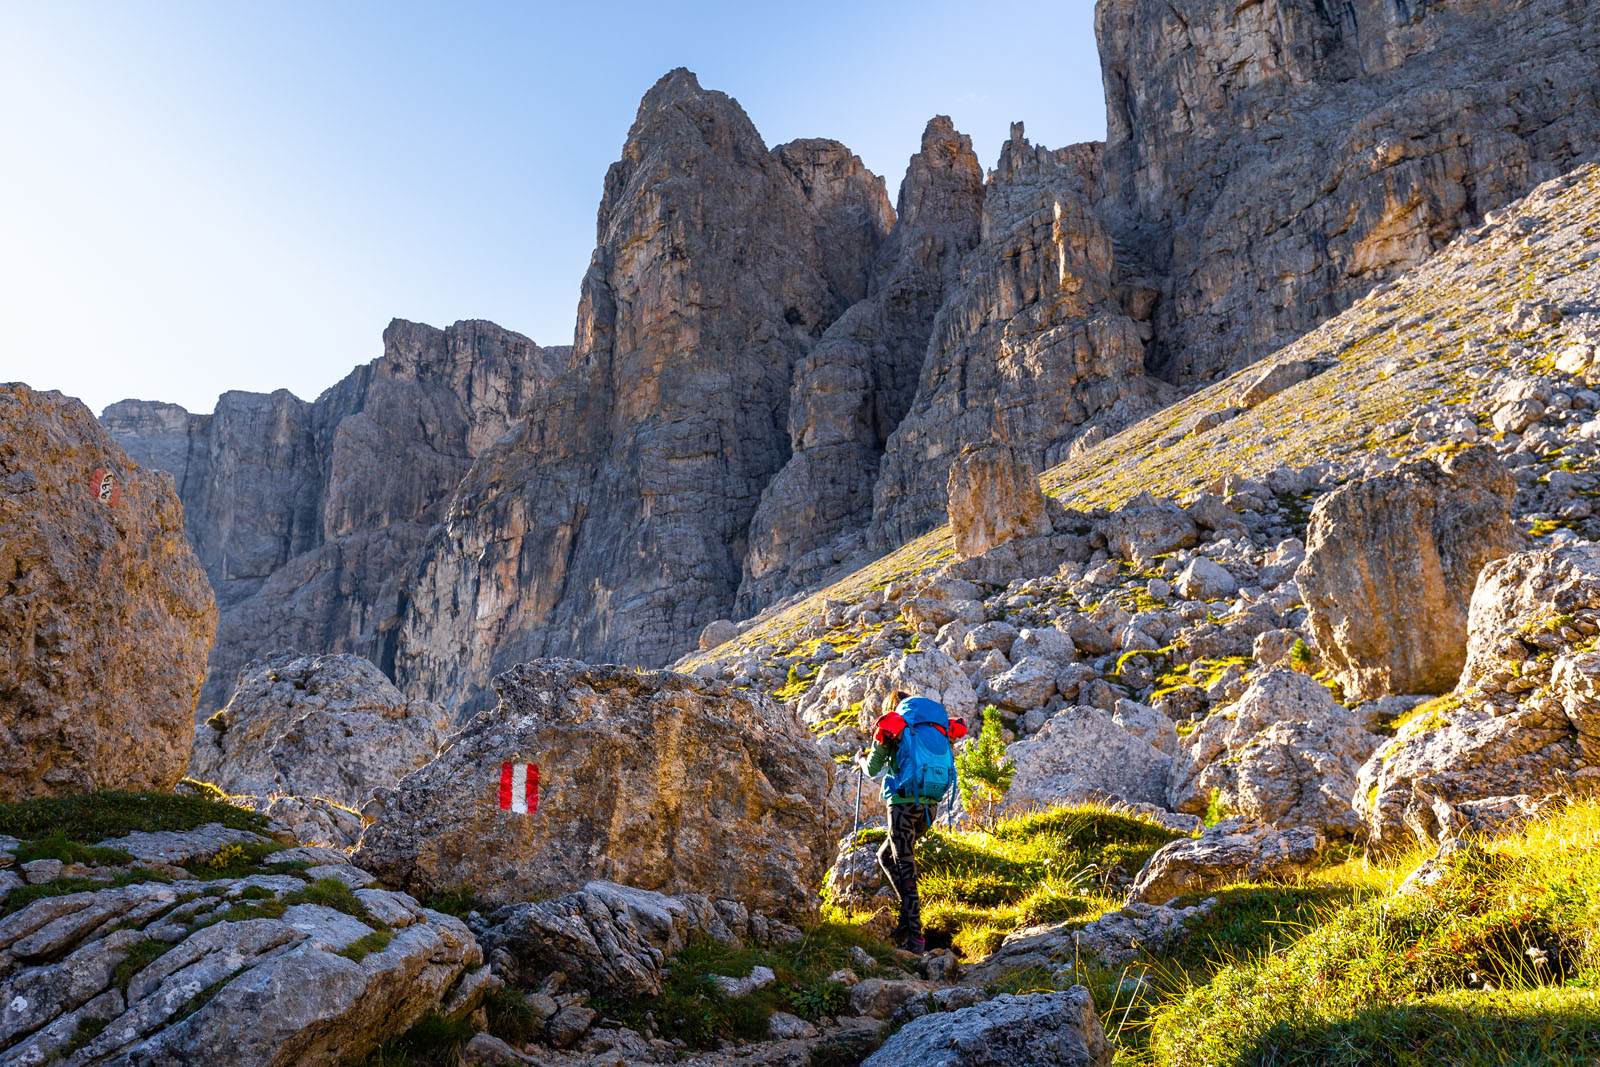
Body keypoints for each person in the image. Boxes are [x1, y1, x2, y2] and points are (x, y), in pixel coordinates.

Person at [856, 689, 966, 954]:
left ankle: (916, 939)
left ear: (892, 707)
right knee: (886, 857)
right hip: (929, 807)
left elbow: (872, 770)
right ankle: (907, 920)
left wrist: (859, 758)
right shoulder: (933, 727)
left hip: (903, 807)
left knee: (906, 869)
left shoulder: (893, 726)